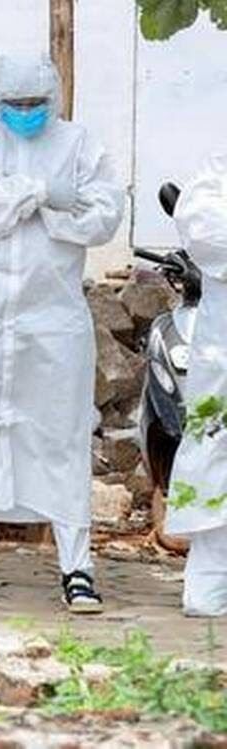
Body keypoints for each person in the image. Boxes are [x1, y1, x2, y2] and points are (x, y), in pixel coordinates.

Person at [0, 52, 124, 613]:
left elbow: (103, 215)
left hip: (54, 322)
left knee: (61, 438)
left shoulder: (81, 146)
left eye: (36, 103)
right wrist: (36, 192)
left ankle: (77, 568)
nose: (26, 112)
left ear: (53, 99)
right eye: (15, 104)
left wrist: (28, 203)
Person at [164, 152, 227, 617]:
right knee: (215, 452)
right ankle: (211, 578)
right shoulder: (219, 172)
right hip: (223, 356)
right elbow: (203, 228)